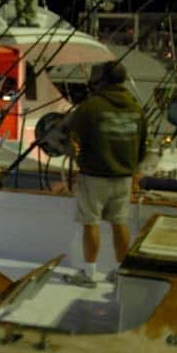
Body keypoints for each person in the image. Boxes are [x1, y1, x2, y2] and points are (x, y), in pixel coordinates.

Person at [65, 60, 146, 287]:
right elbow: (143, 147)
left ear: (101, 81)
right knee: (120, 222)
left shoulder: (91, 107)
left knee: (91, 223)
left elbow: (68, 134)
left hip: (94, 177)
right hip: (124, 178)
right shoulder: (136, 108)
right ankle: (121, 274)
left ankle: (89, 275)